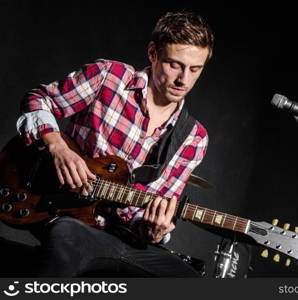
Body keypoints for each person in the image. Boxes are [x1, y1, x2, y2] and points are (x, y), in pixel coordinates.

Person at [15, 11, 213, 277]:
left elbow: (147, 214)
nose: (184, 80)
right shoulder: (109, 77)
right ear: (153, 53)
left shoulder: (194, 138)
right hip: (69, 216)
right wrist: (58, 147)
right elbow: (38, 100)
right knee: (67, 244)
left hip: (120, 238)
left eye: (195, 69)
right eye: (174, 64)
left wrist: (153, 229)